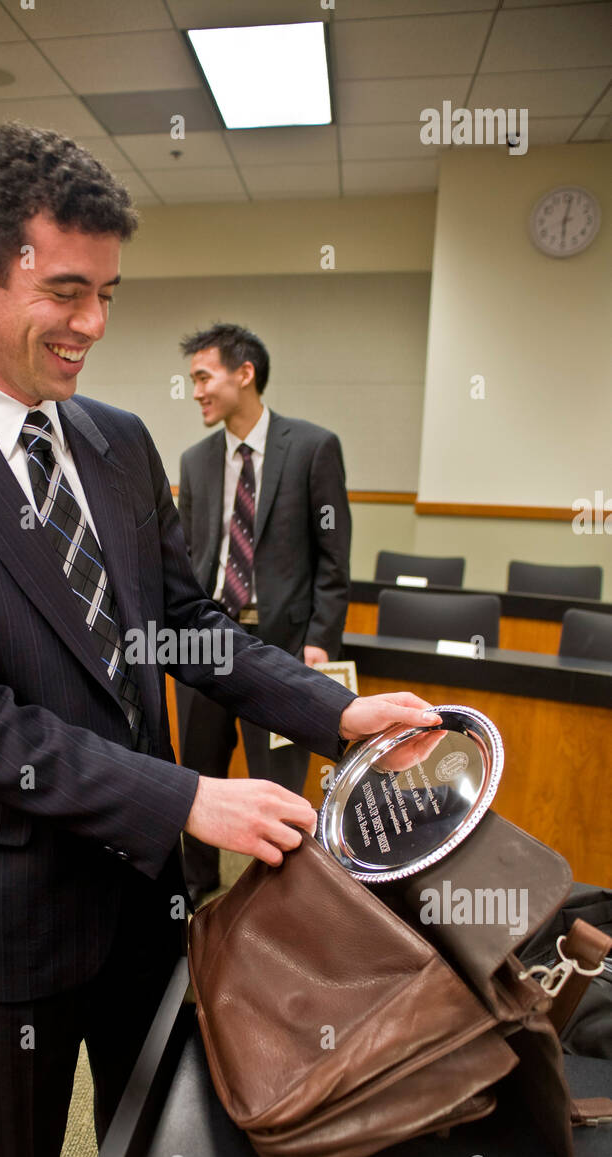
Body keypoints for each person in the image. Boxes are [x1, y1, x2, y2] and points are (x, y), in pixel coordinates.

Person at [0, 122, 441, 1157]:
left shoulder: (116, 440)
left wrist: (332, 712)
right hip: (9, 914)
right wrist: (187, 793)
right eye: (63, 290)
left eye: (106, 293)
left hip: (149, 903)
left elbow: (188, 624)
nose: (92, 326)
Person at [176, 323, 351, 905]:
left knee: (278, 793)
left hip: (280, 653)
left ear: (243, 374)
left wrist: (320, 639)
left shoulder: (312, 447)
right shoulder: (195, 460)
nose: (194, 390)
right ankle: (195, 899)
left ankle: (273, 911)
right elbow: (189, 558)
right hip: (206, 645)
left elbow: (333, 558)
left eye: (203, 377)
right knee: (195, 780)